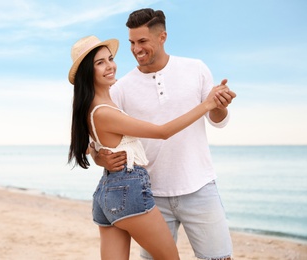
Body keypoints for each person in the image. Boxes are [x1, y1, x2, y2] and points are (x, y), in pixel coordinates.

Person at [67, 35, 233, 260]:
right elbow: (162, 132)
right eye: (100, 63)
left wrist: (98, 155)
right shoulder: (105, 110)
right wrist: (206, 104)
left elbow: (86, 144)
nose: (110, 66)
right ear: (89, 71)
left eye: (110, 59)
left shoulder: (95, 106)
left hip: (106, 194)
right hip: (128, 190)